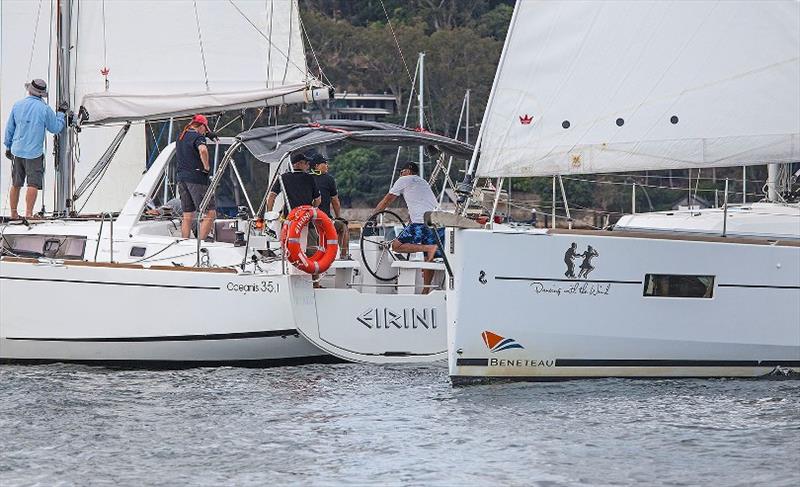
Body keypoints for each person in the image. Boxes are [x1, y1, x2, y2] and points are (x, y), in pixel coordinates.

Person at [373, 162, 443, 294]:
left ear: (409, 171)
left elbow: (388, 200)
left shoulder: (404, 180)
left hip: (421, 222)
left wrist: (374, 215)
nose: (400, 174)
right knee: (429, 257)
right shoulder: (423, 182)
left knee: (396, 245)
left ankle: (429, 248)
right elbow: (421, 202)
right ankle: (426, 290)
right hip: (437, 222)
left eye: (402, 172)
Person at [3, 79, 67, 219]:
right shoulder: (44, 109)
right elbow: (55, 128)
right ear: (41, 94)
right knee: (33, 184)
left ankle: (13, 213)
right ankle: (29, 214)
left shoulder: (17, 105)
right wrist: (61, 114)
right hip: (34, 154)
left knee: (16, 183)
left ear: (29, 90)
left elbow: (9, 129)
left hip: (16, 150)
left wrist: (8, 146)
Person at [267, 152, 322, 284]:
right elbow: (318, 200)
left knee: (288, 247)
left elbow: (271, 196)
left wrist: (269, 214)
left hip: (289, 219)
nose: (308, 166)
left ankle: (288, 272)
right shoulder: (309, 179)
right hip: (305, 219)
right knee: (305, 248)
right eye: (306, 163)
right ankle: (307, 279)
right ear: (298, 164)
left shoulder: (283, 178)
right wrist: (312, 209)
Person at [176, 114, 216, 240]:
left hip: (182, 179)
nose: (205, 132)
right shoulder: (198, 137)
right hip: (196, 178)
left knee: (187, 215)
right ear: (202, 126)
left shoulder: (181, 136)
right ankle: (200, 243)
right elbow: (203, 150)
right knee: (211, 212)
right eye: (205, 129)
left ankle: (184, 243)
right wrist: (206, 166)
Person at [309, 153, 349, 258]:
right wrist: (338, 216)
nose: (327, 166)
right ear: (317, 166)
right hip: (324, 220)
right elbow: (335, 201)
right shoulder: (328, 179)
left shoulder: (306, 178)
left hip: (307, 221)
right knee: (343, 226)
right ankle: (344, 255)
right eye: (324, 163)